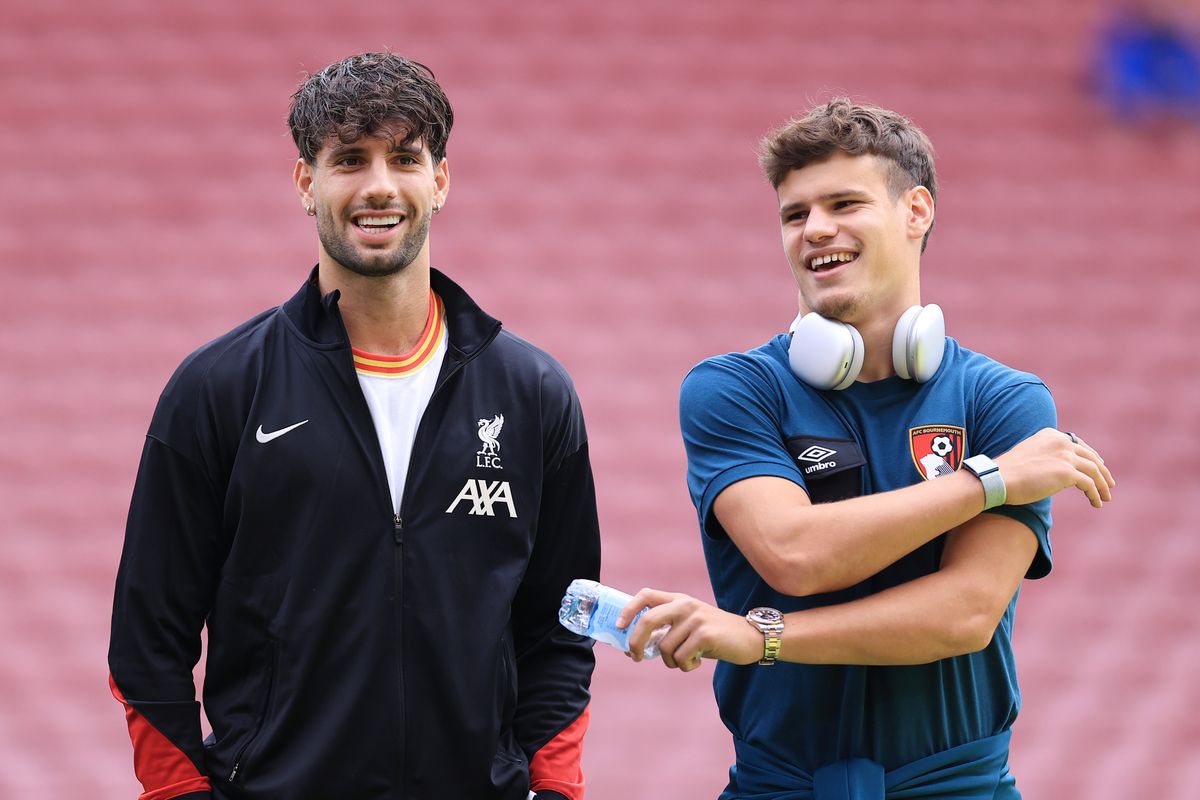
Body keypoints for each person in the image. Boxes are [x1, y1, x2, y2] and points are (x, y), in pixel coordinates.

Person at [108, 52, 600, 800]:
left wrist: (555, 791)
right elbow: (147, 639)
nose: (379, 185)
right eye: (349, 159)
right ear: (307, 183)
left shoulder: (533, 392)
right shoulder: (217, 389)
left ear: (440, 179)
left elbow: (561, 624)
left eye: (405, 157)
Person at [618, 99, 1116, 799]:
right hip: (777, 786)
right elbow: (795, 552)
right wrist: (988, 481)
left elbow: (965, 613)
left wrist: (760, 637)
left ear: (916, 212)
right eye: (795, 214)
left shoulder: (1004, 400)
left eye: (844, 203)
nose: (815, 230)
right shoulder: (732, 388)